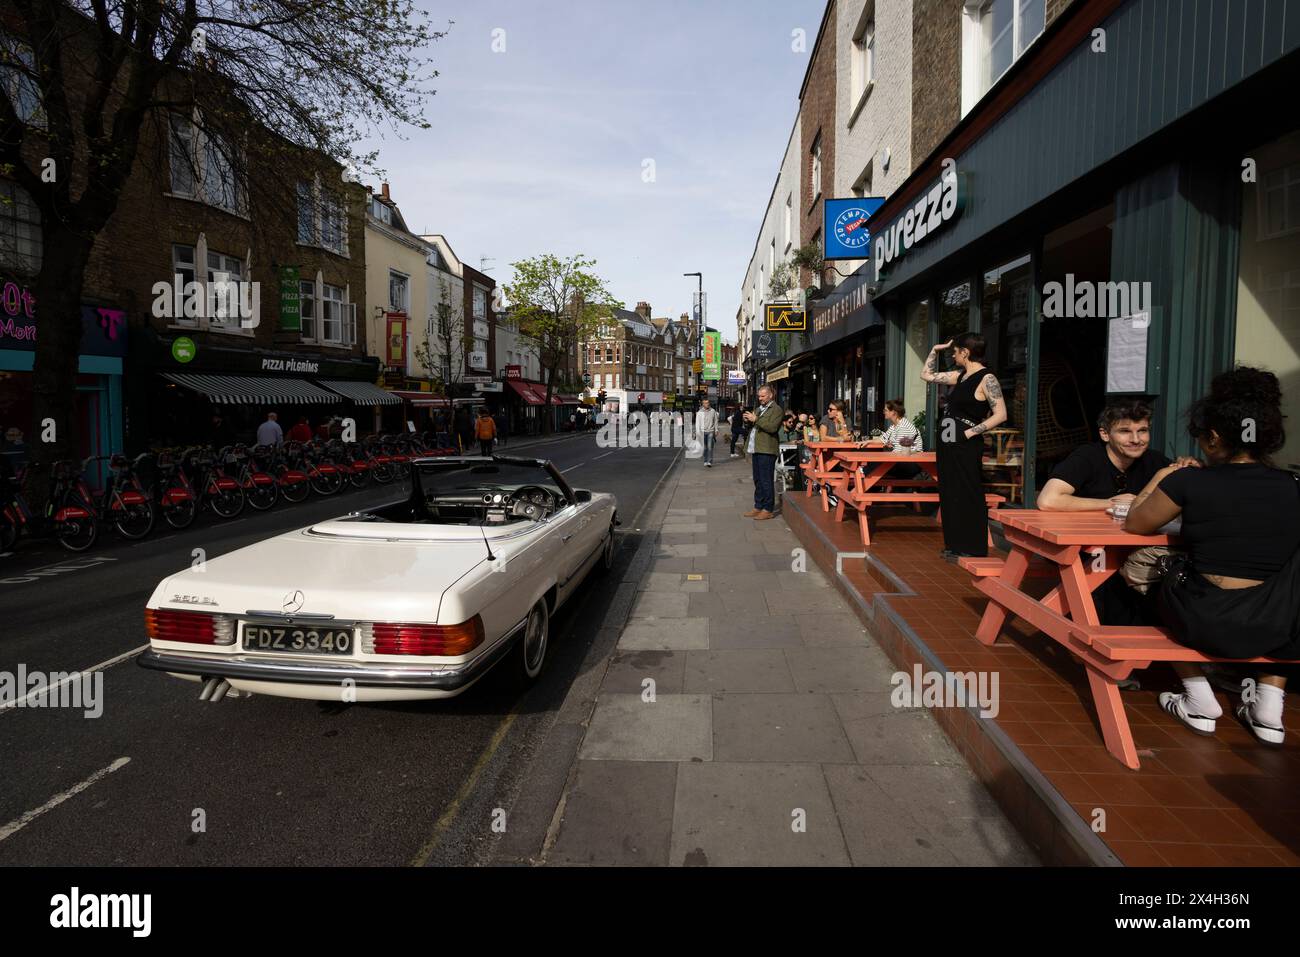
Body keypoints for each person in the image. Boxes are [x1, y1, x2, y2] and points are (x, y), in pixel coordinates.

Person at [1125, 367, 1300, 745]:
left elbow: (1136, 524)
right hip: (1275, 626)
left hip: (1201, 622)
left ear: (1215, 437)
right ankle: (1270, 707)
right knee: (1289, 582)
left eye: (1202, 436)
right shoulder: (1292, 486)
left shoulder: (1190, 480)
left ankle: (1198, 696)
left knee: (1145, 570)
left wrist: (1165, 474)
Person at [921, 333, 1007, 561]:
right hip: (948, 442)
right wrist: (934, 350)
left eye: (955, 351)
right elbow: (926, 375)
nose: (953, 354)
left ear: (965, 352)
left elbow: (1001, 414)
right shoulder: (960, 376)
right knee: (949, 491)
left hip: (965, 443)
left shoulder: (986, 378)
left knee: (968, 491)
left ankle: (973, 546)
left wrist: (969, 433)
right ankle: (955, 545)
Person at [1037, 400, 1174, 512]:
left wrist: (1186, 463)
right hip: (1085, 535)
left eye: (1142, 431)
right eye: (1125, 431)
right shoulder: (1088, 457)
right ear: (1105, 434)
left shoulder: (1154, 459)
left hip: (1132, 537)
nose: (1136, 439)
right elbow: (1047, 500)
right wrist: (1111, 503)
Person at [742, 385, 783, 520]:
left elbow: (772, 428)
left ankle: (768, 509)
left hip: (767, 450)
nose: (760, 398)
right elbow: (755, 425)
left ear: (771, 395)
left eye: (763, 396)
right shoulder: (760, 409)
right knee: (758, 479)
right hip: (756, 448)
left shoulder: (776, 410)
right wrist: (747, 420)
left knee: (766, 480)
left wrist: (756, 419)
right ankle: (758, 506)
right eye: (759, 396)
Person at [695, 398, 719, 467]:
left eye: (708, 403)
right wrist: (698, 432)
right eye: (705, 403)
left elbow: (715, 421)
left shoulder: (713, 411)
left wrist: (716, 430)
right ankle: (705, 460)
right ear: (703, 404)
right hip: (702, 432)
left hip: (710, 431)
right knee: (705, 448)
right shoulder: (699, 412)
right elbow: (697, 423)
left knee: (710, 447)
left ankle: (709, 461)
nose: (707, 404)